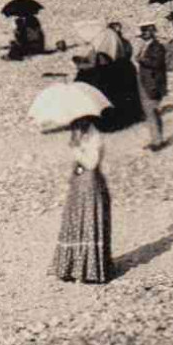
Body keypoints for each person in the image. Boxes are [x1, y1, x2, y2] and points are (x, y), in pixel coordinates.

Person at [51, 116, 111, 284]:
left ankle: (90, 270)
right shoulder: (79, 135)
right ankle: (71, 267)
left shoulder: (95, 137)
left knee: (89, 221)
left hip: (91, 185)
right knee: (76, 222)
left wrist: (77, 150)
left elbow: (91, 164)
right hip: (79, 184)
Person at [135, 22, 168, 151]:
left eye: (145, 32)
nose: (143, 35)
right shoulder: (147, 46)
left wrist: (141, 60)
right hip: (145, 81)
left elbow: (157, 63)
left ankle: (158, 141)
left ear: (151, 32)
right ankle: (155, 139)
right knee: (149, 113)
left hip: (153, 83)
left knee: (153, 112)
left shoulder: (157, 47)